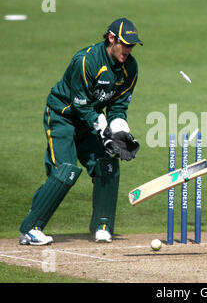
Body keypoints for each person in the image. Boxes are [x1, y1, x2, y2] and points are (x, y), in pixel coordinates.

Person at [19, 18, 142, 245]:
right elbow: (81, 105)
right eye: (125, 44)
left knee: (108, 164)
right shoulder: (86, 61)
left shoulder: (130, 68)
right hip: (62, 116)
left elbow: (118, 108)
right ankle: (30, 229)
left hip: (90, 120)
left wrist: (121, 132)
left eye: (132, 45)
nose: (128, 50)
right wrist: (104, 134)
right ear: (111, 38)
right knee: (65, 171)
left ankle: (103, 225)